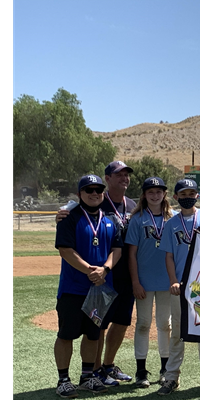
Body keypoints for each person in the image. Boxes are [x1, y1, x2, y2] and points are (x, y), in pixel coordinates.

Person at [57, 160, 137, 386]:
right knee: (73, 333)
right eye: (89, 190)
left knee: (102, 329)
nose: (94, 193)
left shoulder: (127, 208)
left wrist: (105, 269)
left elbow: (118, 249)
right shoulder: (72, 214)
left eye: (97, 190)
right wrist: (91, 270)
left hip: (111, 280)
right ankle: (75, 376)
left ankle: (95, 372)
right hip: (80, 284)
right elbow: (65, 249)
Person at [157, 178, 200, 396]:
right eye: (183, 194)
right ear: (176, 197)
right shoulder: (171, 223)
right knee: (177, 333)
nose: (187, 197)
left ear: (197, 196)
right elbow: (168, 256)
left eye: (191, 193)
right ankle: (172, 377)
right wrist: (173, 280)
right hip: (181, 287)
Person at [125, 177, 174, 388]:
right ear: (144, 195)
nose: (155, 195)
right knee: (143, 324)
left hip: (167, 280)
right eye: (150, 192)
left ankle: (165, 368)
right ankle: (141, 370)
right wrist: (135, 281)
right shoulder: (137, 219)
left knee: (165, 325)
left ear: (165, 194)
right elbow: (131, 254)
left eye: (159, 191)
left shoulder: (172, 218)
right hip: (144, 280)